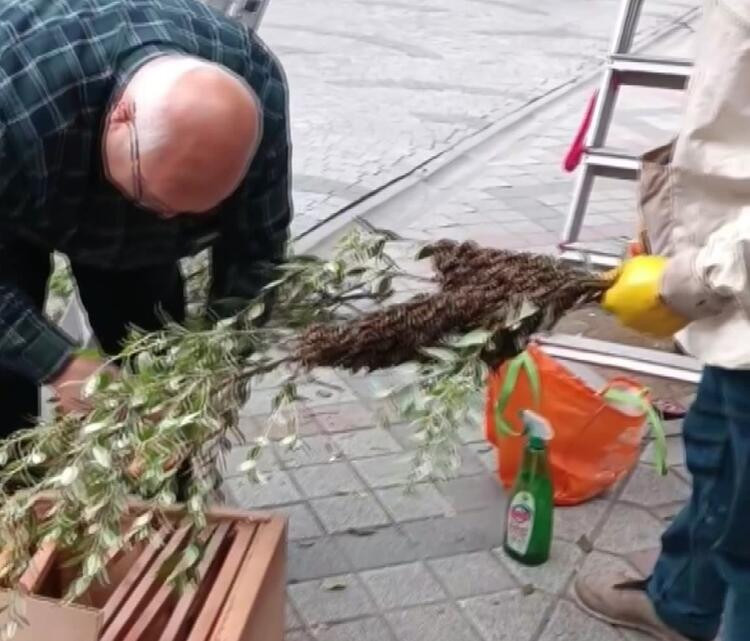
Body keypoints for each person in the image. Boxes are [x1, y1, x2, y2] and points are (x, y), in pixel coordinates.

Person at [0, 0, 292, 441]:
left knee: (154, 363)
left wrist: (216, 366)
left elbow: (256, 255)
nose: (168, 216)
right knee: (6, 376)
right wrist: (59, 363)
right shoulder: (12, 90)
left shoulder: (257, 86)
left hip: (125, 235)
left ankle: (155, 489)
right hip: (22, 174)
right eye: (155, 200)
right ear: (122, 116)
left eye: (195, 213)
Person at [575, 1, 750, 640]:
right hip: (737, 310)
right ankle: (684, 603)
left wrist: (695, 278)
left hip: (730, 278)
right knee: (717, 452)